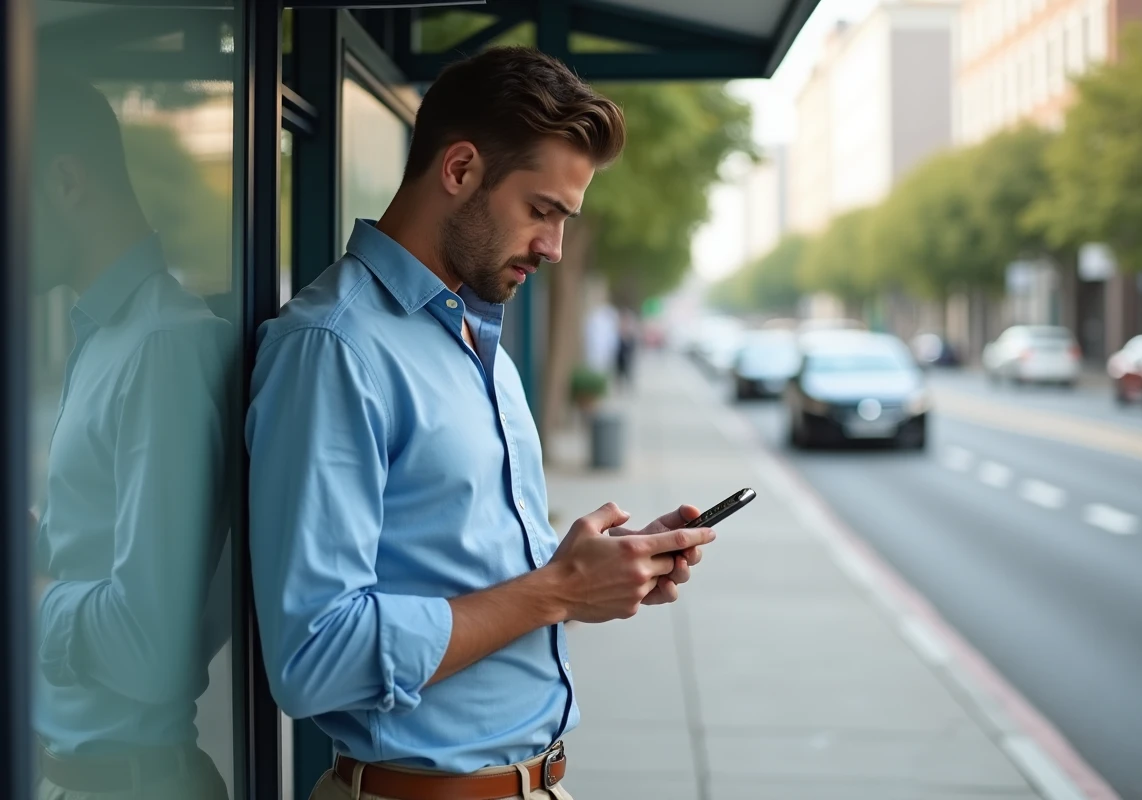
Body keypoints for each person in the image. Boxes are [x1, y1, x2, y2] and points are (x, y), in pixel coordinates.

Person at [246, 46, 716, 800]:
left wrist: (593, 576)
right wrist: (557, 591)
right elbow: (312, 659)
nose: (554, 249)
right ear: (460, 170)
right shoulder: (333, 348)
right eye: (542, 211)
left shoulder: (476, 337)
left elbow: (468, 570)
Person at [30, 70, 234, 800]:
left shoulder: (160, 349)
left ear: (65, 181)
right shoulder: (106, 338)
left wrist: (30, 593)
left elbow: (153, 646)